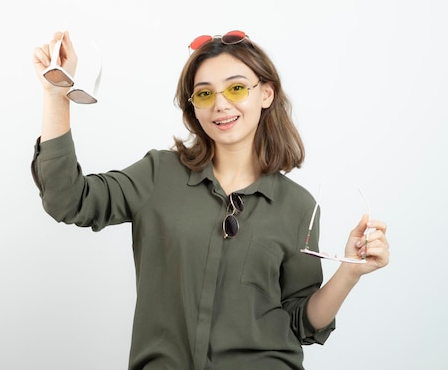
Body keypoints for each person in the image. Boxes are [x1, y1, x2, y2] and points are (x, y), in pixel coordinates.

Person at [31, 30, 390, 370]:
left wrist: (350, 272)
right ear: (193, 106)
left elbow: (301, 321)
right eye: (204, 94)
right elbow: (68, 199)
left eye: (236, 88)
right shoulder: (158, 174)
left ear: (265, 94)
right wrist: (55, 96)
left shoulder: (298, 206)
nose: (220, 105)